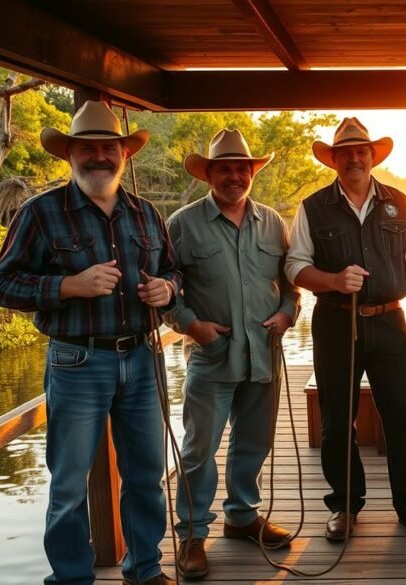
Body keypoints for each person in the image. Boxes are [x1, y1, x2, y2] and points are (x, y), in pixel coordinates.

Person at [0, 100, 180, 585]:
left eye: (108, 147)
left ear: (123, 154)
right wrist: (67, 286)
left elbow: (176, 271)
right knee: (69, 486)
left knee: (146, 479)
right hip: (77, 362)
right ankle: (72, 578)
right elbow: (0, 284)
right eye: (88, 148)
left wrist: (169, 289)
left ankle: (144, 568)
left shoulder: (147, 213)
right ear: (69, 154)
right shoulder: (40, 212)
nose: (100, 156)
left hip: (143, 356)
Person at [284, 117, 406, 542]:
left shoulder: (400, 202)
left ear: (373, 157)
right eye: (345, 153)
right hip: (334, 322)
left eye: (361, 151)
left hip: (391, 322)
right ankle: (345, 506)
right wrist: (334, 281)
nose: (354, 158)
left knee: (404, 417)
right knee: (337, 421)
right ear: (334, 160)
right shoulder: (312, 206)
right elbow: (295, 266)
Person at [163, 129, 301, 579]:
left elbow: (290, 284)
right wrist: (191, 325)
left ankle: (242, 517)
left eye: (243, 168)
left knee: (254, 442)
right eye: (225, 168)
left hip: (263, 353)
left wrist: (286, 314)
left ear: (252, 172)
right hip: (211, 356)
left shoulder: (274, 223)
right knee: (200, 447)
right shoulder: (182, 224)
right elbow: (166, 289)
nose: (235, 176)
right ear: (209, 173)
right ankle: (192, 535)